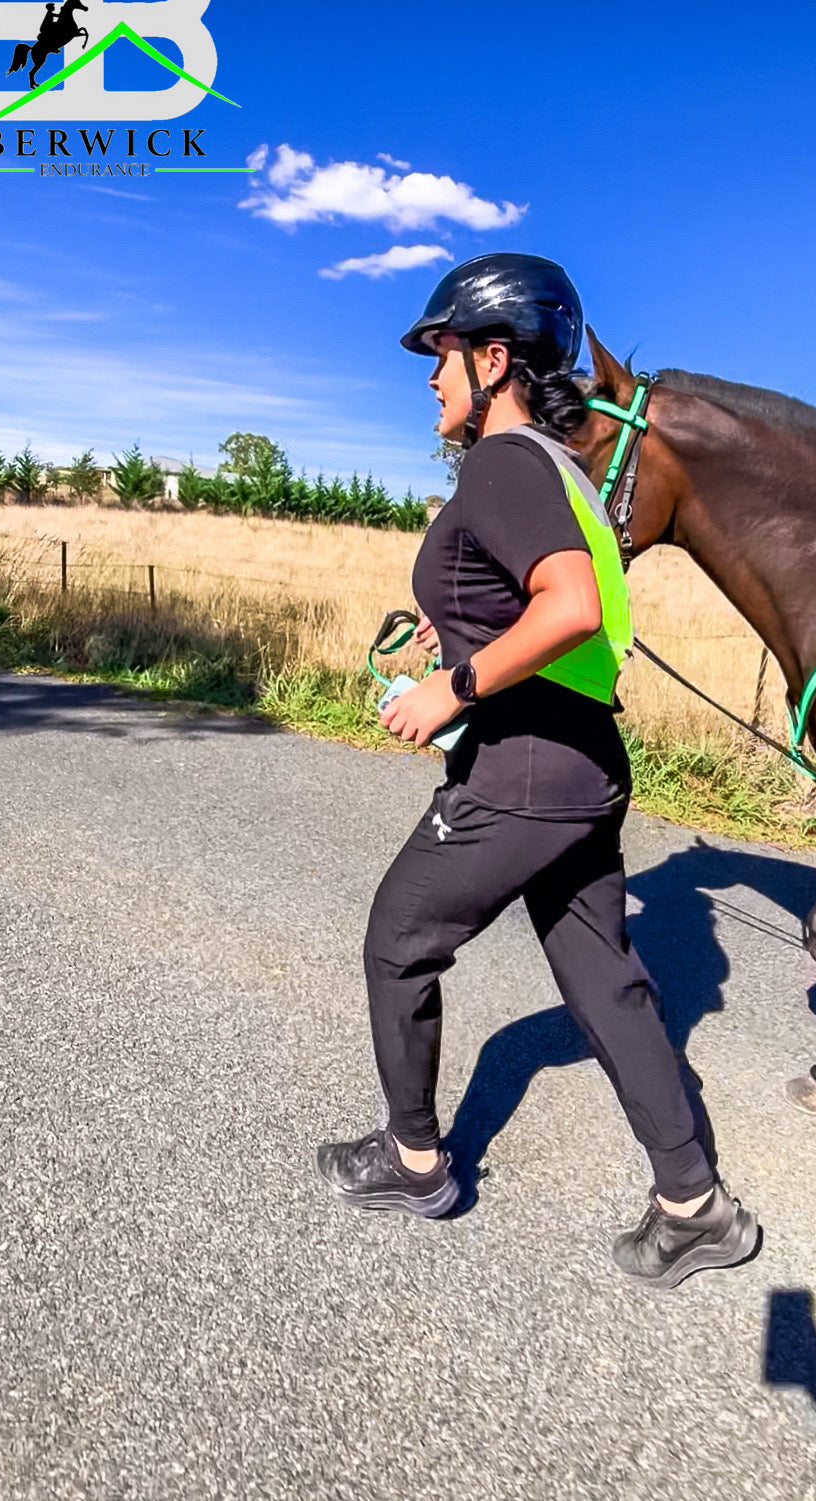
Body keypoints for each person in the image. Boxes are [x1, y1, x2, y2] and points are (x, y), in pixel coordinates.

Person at [317, 254, 759, 1288]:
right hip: (582, 761)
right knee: (605, 979)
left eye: (441, 354)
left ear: (495, 358)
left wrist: (452, 687)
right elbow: (546, 598)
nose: (430, 376)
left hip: (523, 765)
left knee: (398, 939)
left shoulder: (505, 464)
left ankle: (415, 1160)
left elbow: (571, 607)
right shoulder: (563, 470)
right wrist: (455, 619)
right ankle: (695, 1208)